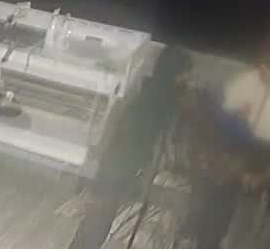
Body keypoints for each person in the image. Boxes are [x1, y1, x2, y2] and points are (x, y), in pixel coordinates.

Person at [68, 45, 191, 249]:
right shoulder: (159, 100)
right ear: (175, 72)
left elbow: (123, 124)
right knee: (97, 223)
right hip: (120, 164)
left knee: (97, 224)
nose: (187, 80)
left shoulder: (150, 91)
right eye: (184, 74)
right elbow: (146, 137)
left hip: (120, 163)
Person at [186, 36, 270, 249]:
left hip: (252, 160)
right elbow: (220, 121)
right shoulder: (244, 82)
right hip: (237, 158)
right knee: (221, 212)